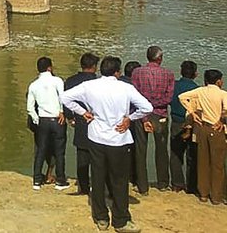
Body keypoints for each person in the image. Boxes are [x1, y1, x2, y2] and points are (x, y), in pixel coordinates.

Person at [61, 56, 152, 233]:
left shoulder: (89, 86)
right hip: (118, 139)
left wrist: (82, 112)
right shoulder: (126, 87)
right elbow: (147, 107)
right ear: (117, 72)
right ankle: (121, 220)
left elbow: (65, 97)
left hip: (96, 138)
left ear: (101, 70)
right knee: (119, 180)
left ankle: (101, 218)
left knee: (98, 177)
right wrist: (129, 119)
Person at [178, 69, 227, 205]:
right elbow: (226, 110)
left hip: (203, 128)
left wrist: (192, 113)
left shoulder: (200, 91)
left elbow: (182, 97)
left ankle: (203, 194)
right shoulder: (223, 94)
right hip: (216, 129)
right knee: (217, 164)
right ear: (218, 81)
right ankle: (216, 196)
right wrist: (221, 121)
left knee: (203, 161)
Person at [130, 45, 174, 194]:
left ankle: (142, 186)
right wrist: (154, 103)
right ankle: (163, 183)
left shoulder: (137, 72)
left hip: (142, 115)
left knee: (140, 150)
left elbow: (134, 96)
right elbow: (169, 98)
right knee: (161, 150)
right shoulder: (168, 74)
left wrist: (146, 106)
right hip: (160, 114)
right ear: (160, 58)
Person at [27, 56, 69, 191]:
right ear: (50, 67)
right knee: (59, 151)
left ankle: (37, 180)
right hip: (57, 119)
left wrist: (36, 119)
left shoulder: (33, 85)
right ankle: (60, 181)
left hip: (42, 120)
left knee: (40, 150)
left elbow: (30, 108)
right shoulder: (57, 81)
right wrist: (62, 112)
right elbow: (62, 97)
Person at [64, 52, 99, 195]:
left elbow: (65, 101)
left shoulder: (71, 80)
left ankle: (83, 187)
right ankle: (97, 185)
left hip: (80, 121)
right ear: (94, 67)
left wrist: (70, 117)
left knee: (82, 156)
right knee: (97, 158)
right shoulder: (97, 82)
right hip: (96, 122)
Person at [169, 60, 198, 193]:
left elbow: (169, 101)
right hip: (192, 124)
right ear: (195, 74)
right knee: (192, 155)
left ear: (181, 72)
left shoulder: (173, 86)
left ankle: (176, 184)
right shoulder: (197, 89)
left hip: (176, 121)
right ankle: (191, 186)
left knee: (176, 154)